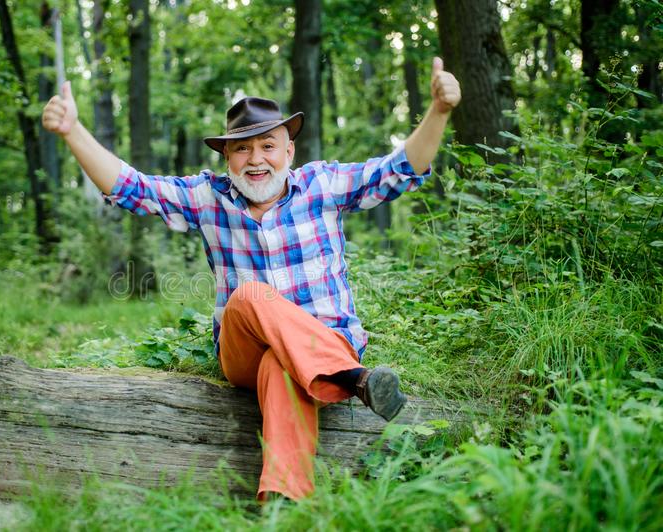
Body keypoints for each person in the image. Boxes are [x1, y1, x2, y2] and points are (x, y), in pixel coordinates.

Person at [42, 56, 460, 501]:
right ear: (227, 157)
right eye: (242, 149)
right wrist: (73, 131)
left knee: (279, 366)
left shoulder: (324, 186)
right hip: (244, 351)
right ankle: (353, 378)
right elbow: (133, 189)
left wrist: (438, 111)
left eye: (267, 146)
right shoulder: (208, 198)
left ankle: (285, 502)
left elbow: (399, 170)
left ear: (288, 152)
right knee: (251, 295)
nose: (255, 159)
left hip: (325, 340)